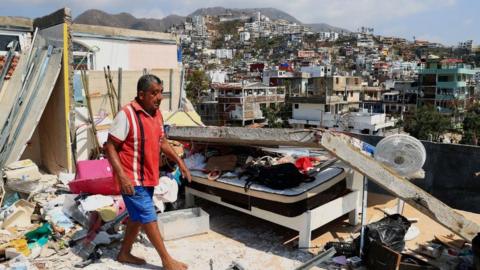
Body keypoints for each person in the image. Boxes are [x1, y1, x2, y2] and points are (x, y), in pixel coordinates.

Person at [104, 74, 191, 270]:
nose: (159, 97)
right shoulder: (126, 115)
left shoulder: (157, 114)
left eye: (160, 92)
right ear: (141, 95)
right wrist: (122, 176)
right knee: (148, 215)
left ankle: (124, 253)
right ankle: (167, 261)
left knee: (137, 217)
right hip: (131, 178)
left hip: (149, 176)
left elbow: (162, 142)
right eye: (154, 93)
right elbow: (110, 147)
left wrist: (180, 162)